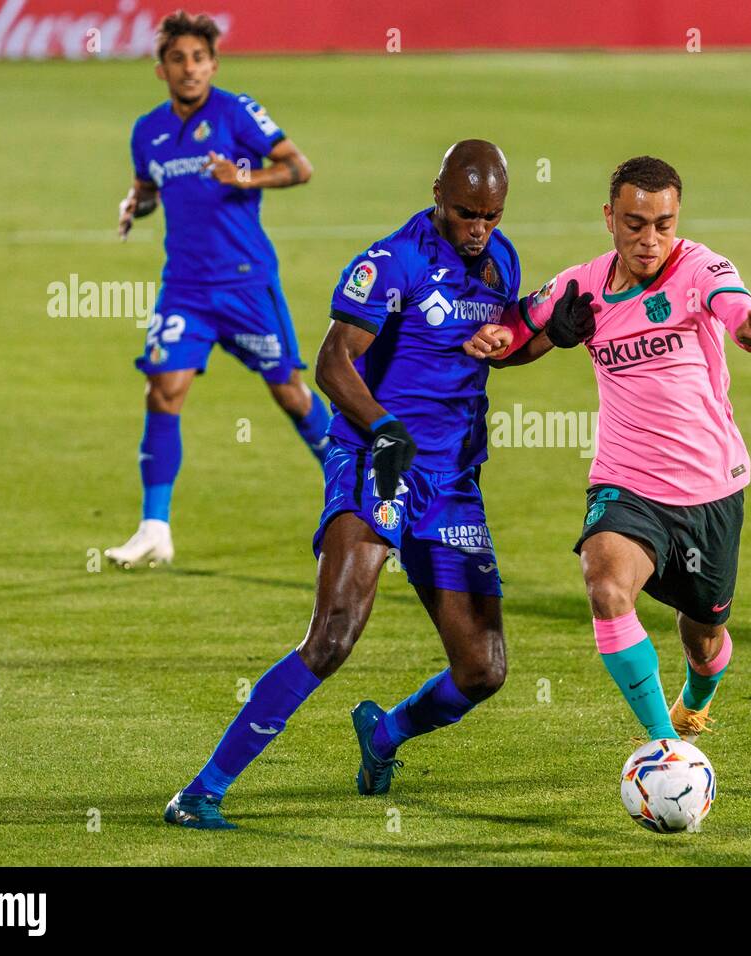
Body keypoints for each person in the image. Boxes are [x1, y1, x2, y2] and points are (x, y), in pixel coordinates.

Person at [165, 140, 521, 829]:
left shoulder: (501, 261)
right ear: (437, 194)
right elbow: (332, 363)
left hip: (452, 484)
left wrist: (540, 334)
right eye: (467, 213)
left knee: (483, 670)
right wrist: (385, 427)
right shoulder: (391, 262)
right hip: (375, 459)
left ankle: (384, 734)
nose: (479, 229)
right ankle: (201, 791)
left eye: (492, 216)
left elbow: (487, 350)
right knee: (331, 636)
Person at [463, 156, 751, 744]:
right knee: (606, 586)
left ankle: (698, 694)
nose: (651, 239)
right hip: (626, 480)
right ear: (609, 217)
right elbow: (516, 330)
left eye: (664, 224)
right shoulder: (581, 283)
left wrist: (747, 327)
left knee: (705, 641)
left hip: (709, 486)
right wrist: (511, 336)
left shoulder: (697, 266)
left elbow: (731, 301)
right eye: (636, 223)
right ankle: (664, 746)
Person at [107, 11, 323, 569]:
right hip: (184, 287)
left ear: (214, 64)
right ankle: (155, 527)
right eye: (178, 59)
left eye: (199, 59)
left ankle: (356, 488)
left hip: (246, 282)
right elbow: (151, 186)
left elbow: (300, 167)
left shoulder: (236, 113)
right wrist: (136, 204)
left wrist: (246, 177)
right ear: (161, 69)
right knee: (163, 390)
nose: (189, 69)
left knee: (289, 392)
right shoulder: (146, 130)